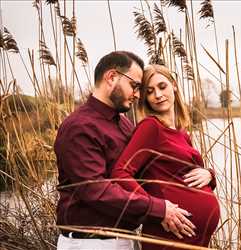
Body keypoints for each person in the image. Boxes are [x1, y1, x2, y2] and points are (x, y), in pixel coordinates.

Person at [54, 51, 196, 250]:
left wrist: (208, 174)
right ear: (112, 77)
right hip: (90, 243)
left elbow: (151, 171)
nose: (138, 95)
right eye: (135, 86)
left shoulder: (125, 124)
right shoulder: (79, 127)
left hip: (123, 240)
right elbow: (96, 190)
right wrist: (158, 209)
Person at [111, 64, 220, 249]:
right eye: (150, 91)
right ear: (145, 98)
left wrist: (210, 175)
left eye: (162, 87)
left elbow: (185, 172)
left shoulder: (181, 132)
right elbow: (120, 172)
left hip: (194, 239)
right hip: (169, 235)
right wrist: (157, 210)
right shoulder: (151, 127)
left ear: (174, 85)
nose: (158, 95)